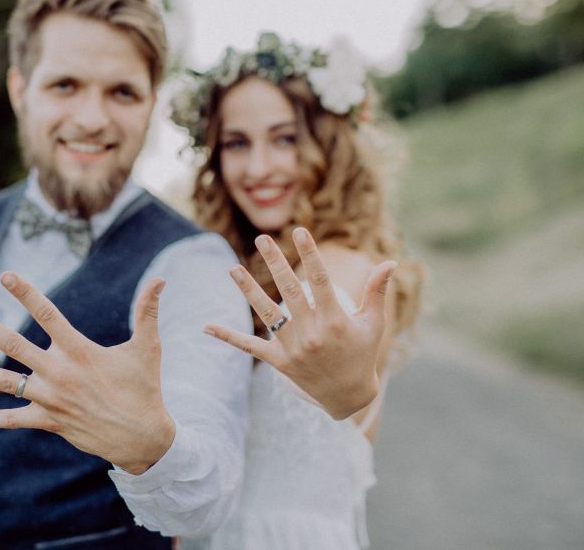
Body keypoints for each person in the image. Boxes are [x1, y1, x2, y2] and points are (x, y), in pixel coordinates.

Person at [0, 0, 256, 550]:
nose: (91, 119)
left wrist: (147, 444)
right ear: (18, 90)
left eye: (122, 92)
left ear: (151, 105)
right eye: (65, 86)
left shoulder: (193, 264)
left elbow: (208, 500)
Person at [169, 32, 425, 549]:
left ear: (328, 146)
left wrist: (349, 389)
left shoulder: (348, 271)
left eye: (285, 138)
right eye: (237, 143)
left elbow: (350, 399)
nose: (259, 168)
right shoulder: (234, 268)